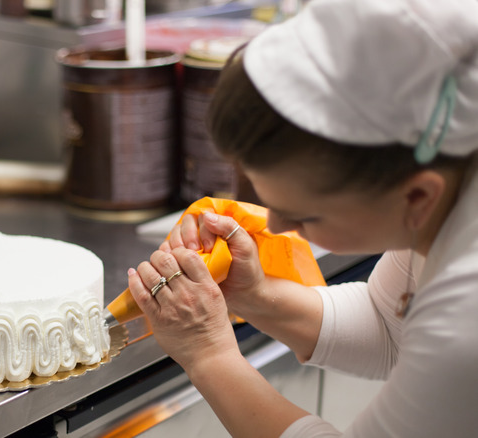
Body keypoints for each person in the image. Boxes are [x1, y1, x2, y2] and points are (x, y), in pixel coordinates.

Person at [126, 0, 478, 436]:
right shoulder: (450, 173)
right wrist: (254, 295)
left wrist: (208, 353)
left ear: (419, 195)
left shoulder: (469, 312)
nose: (274, 226)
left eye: (303, 216)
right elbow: (391, 328)